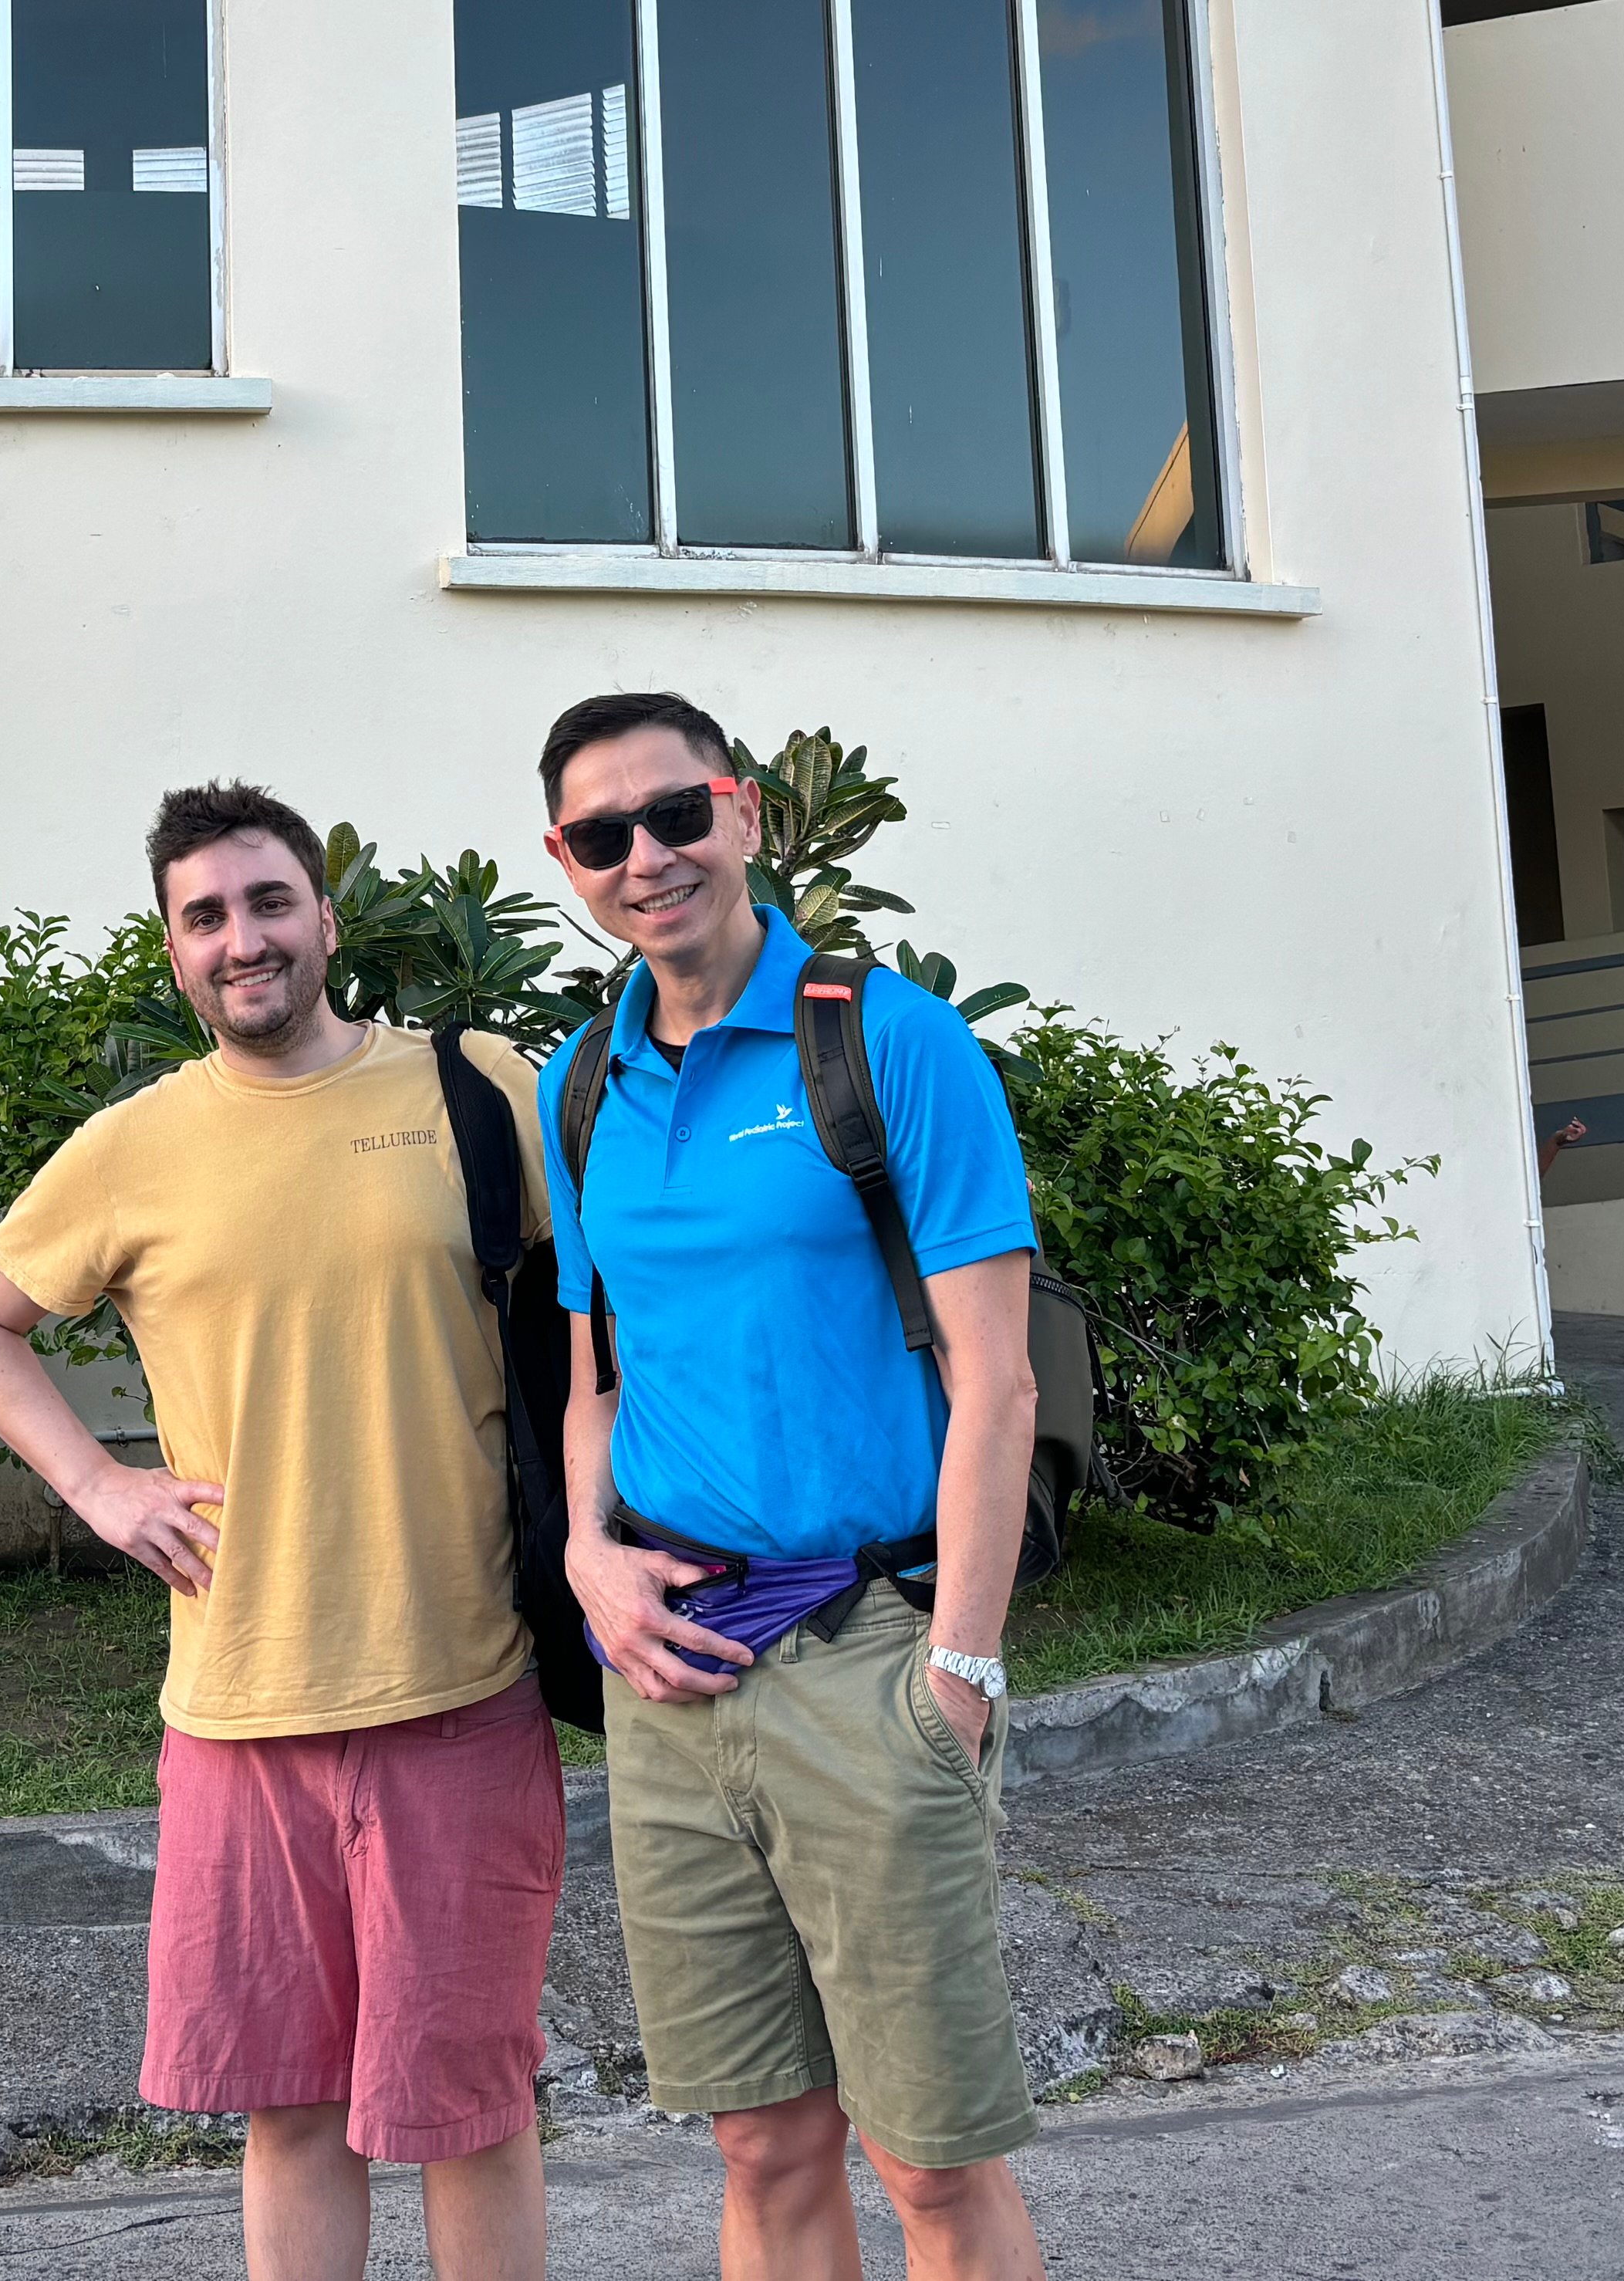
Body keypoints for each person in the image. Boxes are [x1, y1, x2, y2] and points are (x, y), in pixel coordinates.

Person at [0, 781, 560, 2281]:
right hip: (237, 1709)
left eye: (270, 901)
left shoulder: (479, 1089)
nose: (243, 939)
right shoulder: (134, 1146)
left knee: (471, 2116)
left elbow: (606, 1315)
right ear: (175, 950)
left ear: (326, 917)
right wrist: (100, 1487)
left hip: (462, 1689)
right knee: (289, 2112)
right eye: (205, 916)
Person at [535, 691, 1049, 2281]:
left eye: (676, 813)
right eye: (604, 835)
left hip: (871, 1656)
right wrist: (587, 1556)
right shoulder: (580, 1083)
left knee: (932, 2165)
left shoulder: (888, 1042)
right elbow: (595, 1380)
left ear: (744, 812)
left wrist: (959, 1671)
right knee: (761, 2143)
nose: (647, 856)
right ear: (566, 860)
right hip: (671, 1676)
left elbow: (1000, 1386)